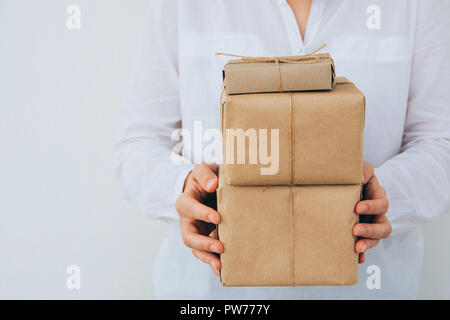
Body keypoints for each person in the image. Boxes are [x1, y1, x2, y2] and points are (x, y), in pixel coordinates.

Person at [115, 0, 450, 299]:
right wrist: (182, 188)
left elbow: (440, 142)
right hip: (208, 294)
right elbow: (140, 142)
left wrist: (385, 197)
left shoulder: (418, 5)